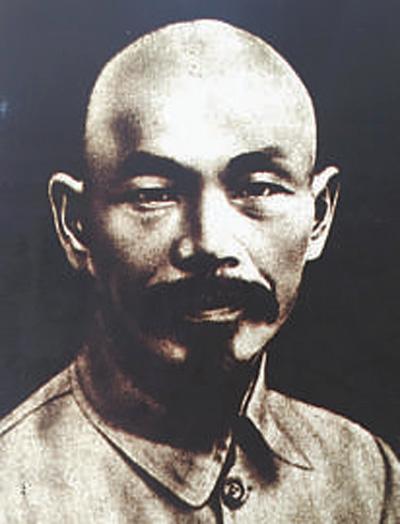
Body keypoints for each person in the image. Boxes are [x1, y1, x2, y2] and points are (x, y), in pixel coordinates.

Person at [0, 19, 399, 523]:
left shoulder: (367, 475)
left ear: (319, 217)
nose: (209, 243)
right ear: (76, 225)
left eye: (258, 188)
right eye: (153, 194)